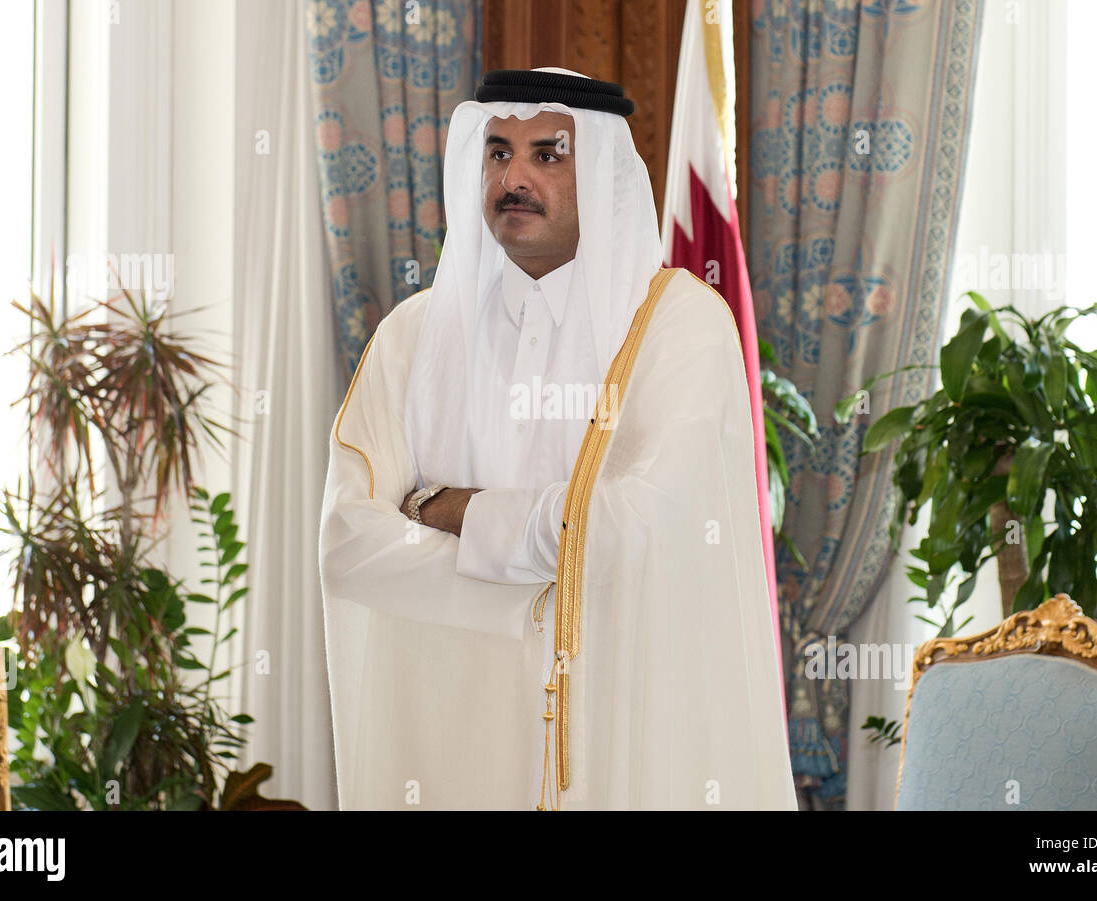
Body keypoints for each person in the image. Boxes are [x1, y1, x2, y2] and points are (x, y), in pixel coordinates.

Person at [318, 66, 796, 810]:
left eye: (549, 154)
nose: (515, 176)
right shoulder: (412, 337)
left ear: (603, 173)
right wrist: (544, 578)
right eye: (498, 151)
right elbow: (348, 546)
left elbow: (638, 529)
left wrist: (451, 511)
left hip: (618, 742)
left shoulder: (679, 328)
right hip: (445, 757)